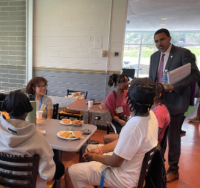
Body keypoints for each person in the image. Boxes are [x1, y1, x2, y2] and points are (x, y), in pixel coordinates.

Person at [65, 78, 158, 188]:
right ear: (153, 99)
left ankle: (86, 176)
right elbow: (122, 142)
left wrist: (94, 157)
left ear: (129, 98)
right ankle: (88, 176)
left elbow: (115, 162)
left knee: (70, 171)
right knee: (87, 148)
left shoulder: (134, 127)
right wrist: (100, 150)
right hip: (134, 169)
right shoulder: (151, 115)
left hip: (123, 178)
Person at [149, 28, 200, 183]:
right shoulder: (154, 56)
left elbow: (195, 75)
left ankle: (173, 169)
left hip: (176, 102)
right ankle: (158, 166)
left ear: (169, 38)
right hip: (158, 105)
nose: (159, 44)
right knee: (157, 137)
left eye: (162, 40)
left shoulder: (183, 53)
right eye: (156, 41)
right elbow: (153, 78)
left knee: (173, 138)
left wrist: (174, 87)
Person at [0, 92, 64, 187]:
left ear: (6, 110)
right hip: (30, 184)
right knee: (60, 167)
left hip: (4, 183)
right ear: (27, 112)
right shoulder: (38, 138)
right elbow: (47, 175)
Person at [104, 82, 170, 146]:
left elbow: (153, 136)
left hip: (145, 144)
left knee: (107, 139)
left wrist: (132, 135)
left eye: (150, 93)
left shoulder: (159, 113)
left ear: (159, 94)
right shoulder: (156, 108)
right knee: (107, 138)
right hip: (141, 138)